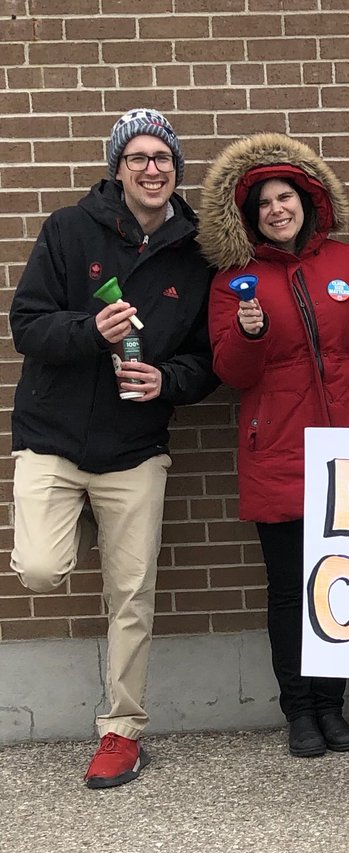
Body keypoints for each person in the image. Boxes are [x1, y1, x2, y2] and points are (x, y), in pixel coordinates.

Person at [9, 108, 218, 788]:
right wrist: (89, 329)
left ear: (176, 171)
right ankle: (83, 518)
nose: (152, 169)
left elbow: (206, 362)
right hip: (55, 439)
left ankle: (122, 733)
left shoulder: (196, 255)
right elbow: (28, 326)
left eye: (163, 158)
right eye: (139, 158)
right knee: (40, 567)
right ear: (118, 168)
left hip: (135, 448)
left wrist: (165, 380)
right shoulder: (71, 230)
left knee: (132, 595)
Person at [200, 133, 349, 758]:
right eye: (264, 201)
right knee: (292, 589)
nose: (277, 208)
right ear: (250, 215)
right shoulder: (233, 282)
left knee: (345, 584)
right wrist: (251, 334)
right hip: (283, 456)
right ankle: (300, 709)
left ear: (307, 200)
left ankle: (332, 703)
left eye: (286, 195)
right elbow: (231, 372)